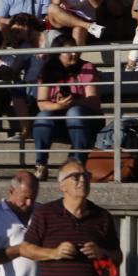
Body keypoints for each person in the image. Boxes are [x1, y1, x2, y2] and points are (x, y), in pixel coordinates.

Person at [32, 35, 102, 180]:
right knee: (42, 116)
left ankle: (77, 164)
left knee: (74, 112)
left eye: (75, 49)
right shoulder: (48, 70)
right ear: (58, 53)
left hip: (86, 120)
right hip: (60, 121)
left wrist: (73, 102)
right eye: (69, 51)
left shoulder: (86, 68)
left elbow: (94, 102)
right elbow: (41, 103)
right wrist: (58, 105)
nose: (74, 54)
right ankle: (41, 165)